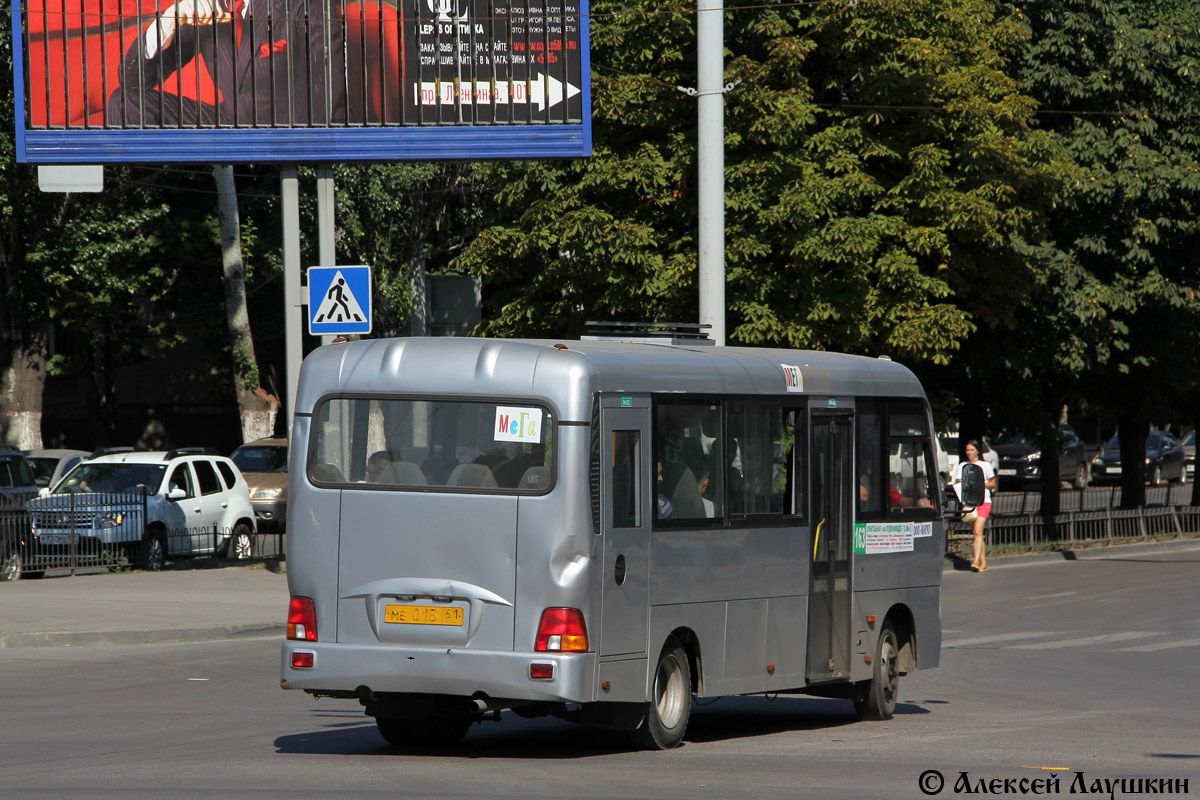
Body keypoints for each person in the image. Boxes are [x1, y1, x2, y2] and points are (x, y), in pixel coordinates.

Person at [106, 0, 348, 126]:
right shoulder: (205, 7)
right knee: (124, 102)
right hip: (229, 122)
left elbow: (329, 80)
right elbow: (132, 81)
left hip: (286, 129)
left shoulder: (305, 4)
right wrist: (167, 22)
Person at [952, 439, 996, 572]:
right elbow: (959, 482)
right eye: (967, 450)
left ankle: (975, 561)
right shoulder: (963, 466)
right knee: (977, 533)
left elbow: (993, 484)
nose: (969, 452)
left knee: (978, 531)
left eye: (971, 450)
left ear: (977, 451)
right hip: (970, 502)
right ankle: (983, 562)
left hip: (984, 501)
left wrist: (979, 484)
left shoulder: (984, 465)